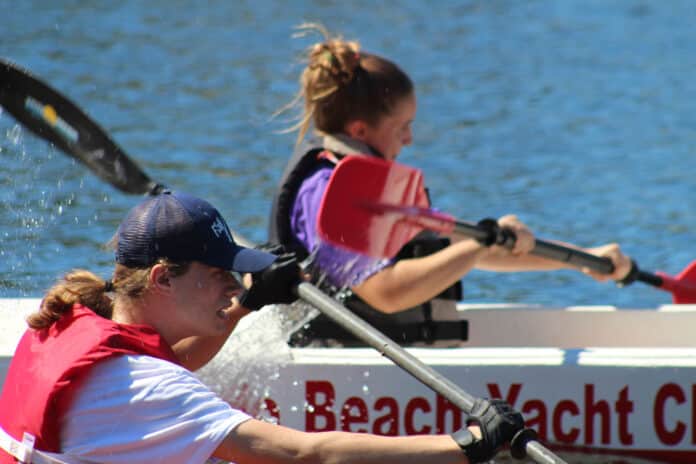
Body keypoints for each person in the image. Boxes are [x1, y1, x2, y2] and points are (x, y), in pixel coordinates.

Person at [0, 190, 526, 464]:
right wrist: (464, 445)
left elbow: (163, 368)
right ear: (162, 278)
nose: (233, 284)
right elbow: (305, 455)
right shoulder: (147, 389)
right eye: (218, 273)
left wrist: (250, 305)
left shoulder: (67, 323)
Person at [268, 24, 634, 346]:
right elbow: (386, 292)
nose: (409, 140)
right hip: (339, 371)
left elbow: (468, 247)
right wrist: (478, 246)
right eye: (402, 127)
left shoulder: (381, 191)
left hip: (394, 373)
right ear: (360, 131)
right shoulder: (324, 191)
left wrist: (581, 259)